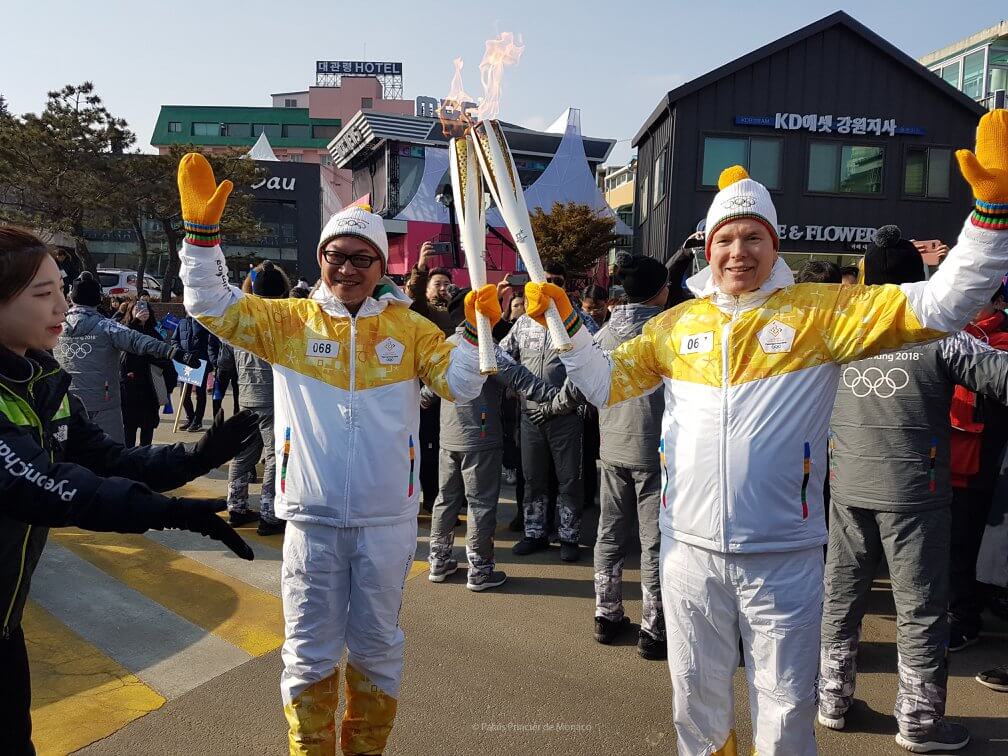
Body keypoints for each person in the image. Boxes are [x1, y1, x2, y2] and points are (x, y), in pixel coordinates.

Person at [520, 109, 1008, 756]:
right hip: (686, 552)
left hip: (783, 557)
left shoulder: (820, 316)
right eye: (726, 238)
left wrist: (991, 217)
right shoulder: (674, 327)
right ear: (708, 246)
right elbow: (603, 385)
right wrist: (564, 328)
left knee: (783, 713)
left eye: (753, 237)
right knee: (696, 708)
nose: (738, 252)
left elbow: (943, 303)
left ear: (774, 246)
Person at [175, 153, 499, 755]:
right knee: (307, 651)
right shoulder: (290, 323)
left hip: (387, 519)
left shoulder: (409, 329)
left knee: (377, 648)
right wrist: (201, 241)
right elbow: (211, 306)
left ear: (381, 265)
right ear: (321, 259)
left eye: (360, 258)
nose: (346, 268)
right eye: (335, 256)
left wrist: (477, 332)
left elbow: (461, 383)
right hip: (312, 516)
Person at [0, 225, 256, 754]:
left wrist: (198, 457)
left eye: (62, 290)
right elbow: (52, 488)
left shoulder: (40, 378)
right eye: (43, 294)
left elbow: (106, 458)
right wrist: (170, 512)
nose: (62, 308)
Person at [819, 224, 1008, 753]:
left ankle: (832, 698)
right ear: (918, 275)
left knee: (842, 594)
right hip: (915, 492)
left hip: (849, 485)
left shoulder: (839, 333)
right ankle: (920, 721)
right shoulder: (935, 331)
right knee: (921, 606)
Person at [424, 322, 559, 591]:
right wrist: (560, 397)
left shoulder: (446, 344)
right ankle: (480, 570)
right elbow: (522, 378)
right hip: (481, 436)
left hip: (449, 436)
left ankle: (438, 561)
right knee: (481, 503)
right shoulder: (486, 348)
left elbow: (428, 393)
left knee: (446, 499)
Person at [583, 255, 669, 659]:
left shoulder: (602, 334)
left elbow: (582, 384)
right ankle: (654, 629)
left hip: (611, 446)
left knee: (609, 532)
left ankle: (606, 612)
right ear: (659, 291)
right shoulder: (663, 333)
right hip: (655, 451)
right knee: (653, 542)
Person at [500, 266, 587, 563]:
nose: (549, 286)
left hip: (565, 415)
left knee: (569, 480)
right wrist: (522, 385)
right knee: (533, 478)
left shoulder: (577, 321)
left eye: (555, 282)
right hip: (530, 416)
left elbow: (591, 368)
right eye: (544, 282)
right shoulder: (523, 322)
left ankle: (569, 535)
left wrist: (557, 402)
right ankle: (535, 531)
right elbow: (498, 355)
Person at [55, 272, 198, 444]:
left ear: (71, 297)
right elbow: (141, 342)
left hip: (66, 406)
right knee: (111, 456)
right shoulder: (107, 327)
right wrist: (175, 353)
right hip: (105, 406)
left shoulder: (56, 328)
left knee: (68, 456)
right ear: (98, 298)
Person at [947, 285, 1008, 651]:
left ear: (999, 301)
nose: (970, 303)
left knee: (966, 545)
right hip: (947, 457)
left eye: (981, 296)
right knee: (950, 545)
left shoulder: (999, 340)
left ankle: (965, 619)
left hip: (986, 462)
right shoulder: (954, 334)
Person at [227, 260, 291, 535]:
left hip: (246, 394)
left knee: (243, 454)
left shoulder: (241, 319)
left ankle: (236, 506)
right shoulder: (282, 320)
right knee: (275, 455)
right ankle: (270, 513)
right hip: (272, 397)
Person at [119, 298, 177, 447]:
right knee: (129, 429)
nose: (142, 311)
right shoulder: (124, 331)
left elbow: (166, 361)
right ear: (130, 312)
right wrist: (136, 323)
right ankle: (128, 460)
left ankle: (144, 460)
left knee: (148, 428)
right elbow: (122, 358)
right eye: (136, 308)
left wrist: (168, 386)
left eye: (145, 308)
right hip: (130, 389)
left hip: (150, 389)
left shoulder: (155, 334)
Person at [171, 314, 214, 431]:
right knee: (184, 395)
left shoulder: (204, 321)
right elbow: (174, 340)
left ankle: (197, 421)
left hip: (200, 362)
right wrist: (181, 354)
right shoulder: (182, 322)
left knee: (200, 394)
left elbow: (211, 343)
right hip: (185, 362)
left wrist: (209, 360)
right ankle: (190, 417)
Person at [210, 336, 240, 416]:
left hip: (239, 368)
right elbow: (211, 344)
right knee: (217, 398)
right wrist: (215, 361)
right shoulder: (221, 326)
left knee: (238, 399)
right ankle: (217, 423)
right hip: (222, 368)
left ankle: (237, 424)